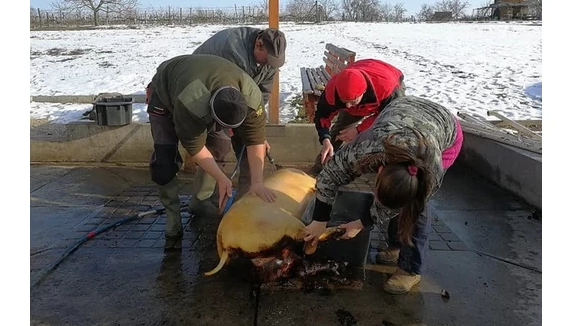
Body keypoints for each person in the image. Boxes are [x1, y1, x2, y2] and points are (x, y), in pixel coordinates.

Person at [304, 95, 464, 294]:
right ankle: (395, 246)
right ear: (379, 170)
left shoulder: (431, 171)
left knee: (415, 208)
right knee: (397, 197)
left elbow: (401, 200)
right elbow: (330, 174)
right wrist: (320, 219)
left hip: (446, 132)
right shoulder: (366, 149)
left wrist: (362, 222)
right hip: (405, 110)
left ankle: (410, 268)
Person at [146, 54, 277, 251]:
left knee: (220, 147)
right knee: (165, 160)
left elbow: (256, 140)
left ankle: (199, 202)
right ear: (212, 112)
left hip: (209, 86)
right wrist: (222, 178)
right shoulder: (191, 102)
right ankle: (172, 214)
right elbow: (195, 148)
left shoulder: (251, 96)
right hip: (166, 93)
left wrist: (257, 181)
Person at [192, 27, 287, 196]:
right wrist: (244, 131)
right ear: (258, 45)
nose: (269, 65)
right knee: (218, 146)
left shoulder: (269, 59)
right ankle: (204, 202)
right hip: (208, 97)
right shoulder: (233, 51)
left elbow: (261, 95)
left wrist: (257, 133)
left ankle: (246, 201)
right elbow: (230, 97)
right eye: (268, 60)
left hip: (237, 99)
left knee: (252, 149)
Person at [309, 58, 405, 175]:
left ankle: (383, 172)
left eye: (352, 101)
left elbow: (389, 115)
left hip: (388, 83)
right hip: (362, 80)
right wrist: (325, 139)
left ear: (363, 92)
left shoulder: (387, 89)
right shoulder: (332, 91)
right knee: (340, 131)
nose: (348, 106)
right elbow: (322, 116)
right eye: (344, 101)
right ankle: (320, 168)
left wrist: (359, 130)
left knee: (383, 132)